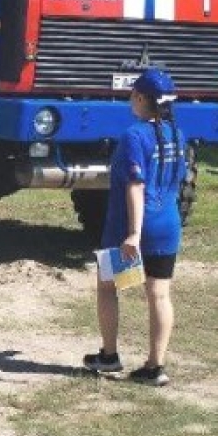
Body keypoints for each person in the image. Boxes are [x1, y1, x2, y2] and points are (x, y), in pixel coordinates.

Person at [85, 68, 187, 386]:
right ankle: (155, 366)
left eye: (133, 95)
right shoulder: (177, 135)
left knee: (108, 287)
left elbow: (135, 186)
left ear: (142, 98)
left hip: (130, 227)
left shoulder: (134, 135)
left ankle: (109, 355)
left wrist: (133, 233)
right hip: (168, 224)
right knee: (158, 294)